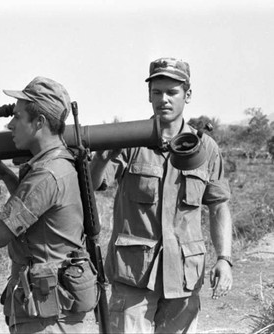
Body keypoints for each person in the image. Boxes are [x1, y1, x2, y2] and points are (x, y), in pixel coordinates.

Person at [90, 57, 234, 333]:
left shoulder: (205, 148)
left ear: (187, 95)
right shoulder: (129, 140)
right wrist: (101, 158)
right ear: (148, 95)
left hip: (183, 278)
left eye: (172, 92)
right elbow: (96, 184)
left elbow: (219, 206)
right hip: (133, 278)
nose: (163, 100)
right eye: (157, 92)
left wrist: (224, 259)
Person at [0, 76, 97, 333]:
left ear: (39, 122)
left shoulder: (46, 175)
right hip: (48, 307)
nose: (10, 125)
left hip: (47, 315)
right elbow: (35, 214)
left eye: (18, 117)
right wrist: (8, 176)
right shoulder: (57, 165)